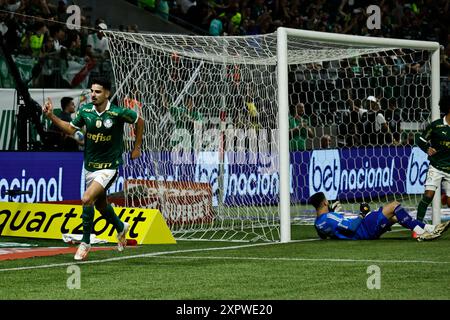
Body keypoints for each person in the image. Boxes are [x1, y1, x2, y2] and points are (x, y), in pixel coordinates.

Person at [42, 77, 144, 260]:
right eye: (92, 91)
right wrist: (51, 116)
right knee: (101, 205)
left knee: (86, 198)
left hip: (109, 167)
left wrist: (137, 147)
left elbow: (139, 121)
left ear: (107, 93)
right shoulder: (86, 111)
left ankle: (85, 243)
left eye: (97, 91)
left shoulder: (117, 113)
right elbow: (71, 130)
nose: (93, 95)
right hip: (90, 166)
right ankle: (121, 227)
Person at [309, 191, 450, 242]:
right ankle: (422, 232)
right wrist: (363, 213)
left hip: (363, 233)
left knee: (394, 217)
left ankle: (430, 229)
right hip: (363, 229)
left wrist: (332, 212)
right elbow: (351, 227)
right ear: (325, 202)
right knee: (394, 205)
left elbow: (324, 235)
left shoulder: (318, 223)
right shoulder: (329, 218)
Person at [416, 96, 450, 226]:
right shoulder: (436, 126)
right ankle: (417, 226)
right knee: (428, 195)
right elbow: (419, 139)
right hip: (436, 167)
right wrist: (427, 149)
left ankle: (445, 198)